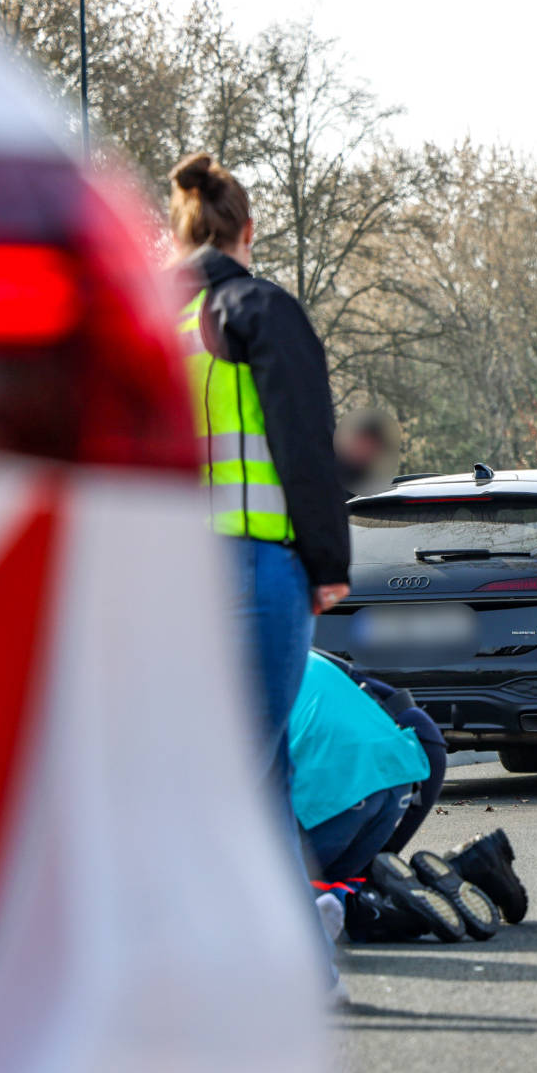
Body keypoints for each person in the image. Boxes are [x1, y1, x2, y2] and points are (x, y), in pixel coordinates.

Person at [168, 152, 351, 831]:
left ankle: (287, 932)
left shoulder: (148, 319)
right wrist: (329, 564)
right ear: (248, 230)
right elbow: (302, 444)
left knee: (244, 772)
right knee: (247, 770)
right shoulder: (256, 309)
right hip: (251, 567)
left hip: (160, 572)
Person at [287, 651, 527, 941]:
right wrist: (386, 851)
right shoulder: (304, 652)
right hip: (398, 778)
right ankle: (472, 865)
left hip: (334, 795)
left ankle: (377, 906)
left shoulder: (225, 681)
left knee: (263, 902)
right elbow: (419, 723)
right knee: (344, 879)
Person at [334, 407, 399, 496]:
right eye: (371, 445)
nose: (373, 453)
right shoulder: (332, 467)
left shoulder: (367, 478)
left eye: (377, 448)